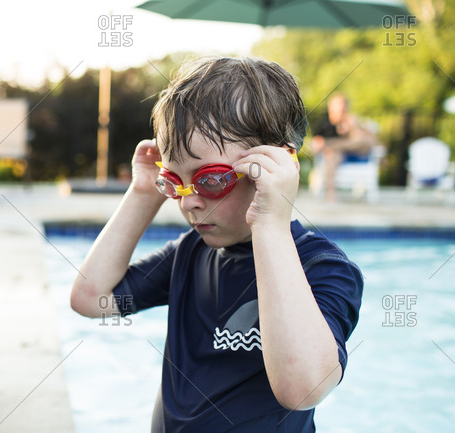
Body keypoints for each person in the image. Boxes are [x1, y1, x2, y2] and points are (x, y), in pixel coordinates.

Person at [70, 57, 363, 432]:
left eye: (210, 180)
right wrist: (144, 193)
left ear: (275, 165)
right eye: (173, 180)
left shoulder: (322, 267)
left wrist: (270, 223)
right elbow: (92, 299)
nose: (187, 200)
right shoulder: (191, 254)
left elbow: (302, 390)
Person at [312, 93, 380, 201]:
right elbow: (316, 144)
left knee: (366, 140)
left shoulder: (351, 119)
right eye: (338, 105)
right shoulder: (324, 124)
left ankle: (334, 145)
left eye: (343, 105)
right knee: (331, 154)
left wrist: (352, 127)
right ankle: (330, 194)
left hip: (354, 152)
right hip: (335, 155)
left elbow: (363, 138)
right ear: (331, 107)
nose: (341, 108)